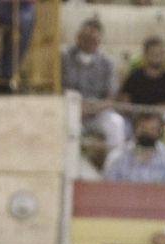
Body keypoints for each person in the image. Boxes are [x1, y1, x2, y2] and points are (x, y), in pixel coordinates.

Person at [64, 17, 128, 154]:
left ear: (99, 41)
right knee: (69, 127)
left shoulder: (107, 62)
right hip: (71, 109)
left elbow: (111, 98)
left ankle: (113, 168)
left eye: (94, 40)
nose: (90, 43)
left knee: (117, 124)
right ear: (78, 37)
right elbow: (58, 89)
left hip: (98, 110)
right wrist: (78, 110)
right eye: (86, 39)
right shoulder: (65, 57)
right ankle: (72, 171)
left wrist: (92, 109)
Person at [103, 110, 165, 185]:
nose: (147, 133)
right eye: (143, 128)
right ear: (135, 129)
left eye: (153, 129)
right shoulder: (117, 156)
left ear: (160, 132)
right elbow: (110, 189)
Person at [119, 37, 165, 109]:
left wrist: (158, 109)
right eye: (154, 53)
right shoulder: (134, 77)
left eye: (161, 53)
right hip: (138, 116)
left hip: (163, 116)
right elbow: (125, 100)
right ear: (145, 55)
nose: (158, 57)